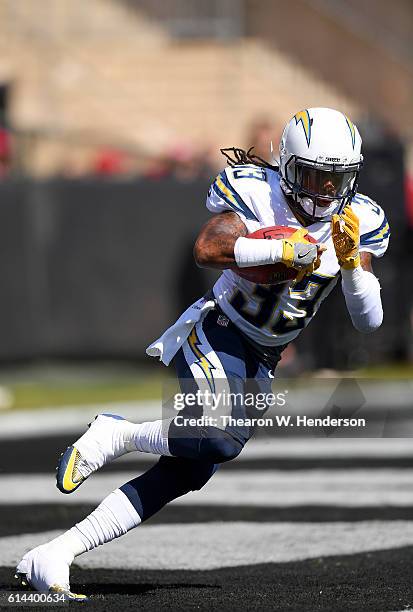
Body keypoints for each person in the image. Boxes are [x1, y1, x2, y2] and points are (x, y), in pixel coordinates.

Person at [16, 107, 390, 599]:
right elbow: (207, 248)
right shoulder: (260, 193)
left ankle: (55, 553)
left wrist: (352, 269)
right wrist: (274, 251)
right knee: (216, 439)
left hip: (265, 354)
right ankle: (118, 435)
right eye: (312, 175)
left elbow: (370, 321)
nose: (322, 190)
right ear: (288, 167)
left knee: (190, 468)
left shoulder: (358, 219)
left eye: (333, 178)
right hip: (218, 329)